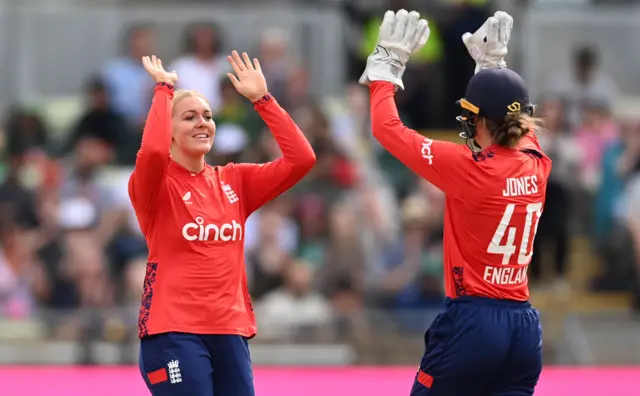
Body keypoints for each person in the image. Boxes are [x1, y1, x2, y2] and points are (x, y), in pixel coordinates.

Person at [360, 10, 550, 396]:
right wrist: (492, 67)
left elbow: (385, 127)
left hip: (473, 321)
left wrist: (385, 68)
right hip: (524, 327)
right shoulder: (538, 162)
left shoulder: (468, 168)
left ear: (480, 120)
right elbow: (511, 121)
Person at [130, 51, 316, 396]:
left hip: (230, 331)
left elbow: (302, 159)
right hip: (172, 332)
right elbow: (153, 153)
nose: (202, 122)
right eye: (189, 117)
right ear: (166, 130)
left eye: (207, 116)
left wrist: (263, 100)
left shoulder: (235, 181)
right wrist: (164, 89)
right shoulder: (155, 184)